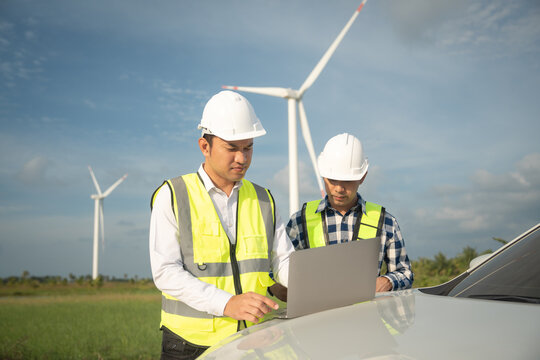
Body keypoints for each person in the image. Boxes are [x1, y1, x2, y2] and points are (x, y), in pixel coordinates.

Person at [149, 90, 294, 359]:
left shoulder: (264, 199)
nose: (242, 158)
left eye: (248, 147)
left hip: (254, 340)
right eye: (232, 148)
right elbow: (165, 272)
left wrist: (309, 284)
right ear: (205, 146)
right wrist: (227, 303)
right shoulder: (173, 195)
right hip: (189, 346)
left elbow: (284, 261)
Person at [286, 133, 413, 292]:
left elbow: (405, 273)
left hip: (367, 315)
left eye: (347, 181)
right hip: (317, 314)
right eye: (332, 180)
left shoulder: (386, 222)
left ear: (363, 176)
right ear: (323, 175)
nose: (339, 188)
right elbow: (282, 271)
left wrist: (387, 281)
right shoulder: (299, 221)